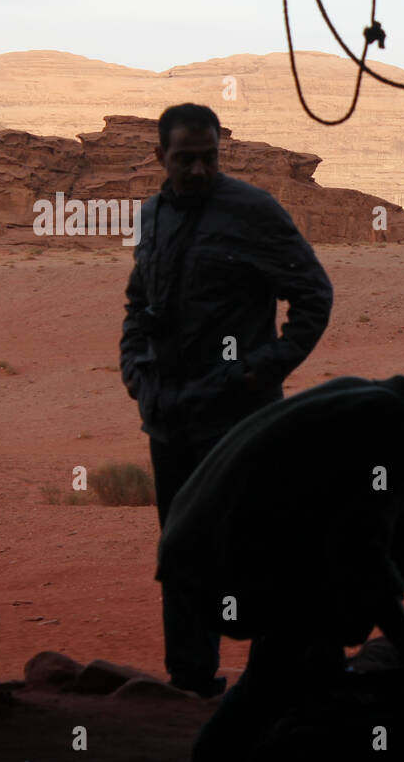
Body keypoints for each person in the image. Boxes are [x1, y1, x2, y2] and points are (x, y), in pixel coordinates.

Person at [154, 342, 404, 762]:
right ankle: (241, 741)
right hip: (215, 565)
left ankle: (301, 671)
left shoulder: (373, 398)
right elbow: (359, 553)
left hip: (193, 546)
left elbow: (344, 522)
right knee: (279, 670)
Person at [119, 102, 334, 697]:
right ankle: (190, 685)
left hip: (239, 422)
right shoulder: (153, 215)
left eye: (208, 157)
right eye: (184, 159)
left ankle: (281, 682)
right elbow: (138, 304)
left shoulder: (251, 211)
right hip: (169, 421)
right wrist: (136, 373)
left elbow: (313, 297)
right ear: (160, 157)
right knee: (181, 550)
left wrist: (257, 373)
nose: (197, 170)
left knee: (259, 548)